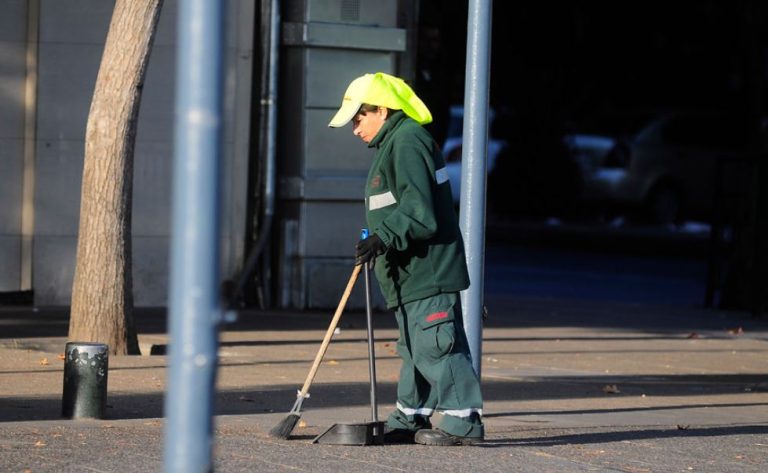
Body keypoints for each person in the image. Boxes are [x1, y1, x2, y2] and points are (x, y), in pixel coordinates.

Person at [328, 72, 484, 446]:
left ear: (382, 110)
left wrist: (383, 237)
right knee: (415, 347)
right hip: (409, 272)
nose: (355, 129)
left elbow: (419, 211)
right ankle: (410, 415)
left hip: (428, 270)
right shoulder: (394, 143)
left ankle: (464, 420)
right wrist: (377, 238)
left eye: (359, 118)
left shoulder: (408, 141)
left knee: (436, 344)